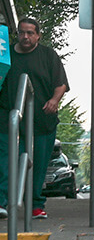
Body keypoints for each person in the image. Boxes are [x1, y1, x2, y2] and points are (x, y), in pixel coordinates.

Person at [0, 17, 69, 219]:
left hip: (42, 119)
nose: (25, 36)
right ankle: (2, 202)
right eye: (22, 32)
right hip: (8, 116)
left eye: (30, 33)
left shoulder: (48, 55)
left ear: (38, 35)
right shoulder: (7, 55)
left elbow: (61, 84)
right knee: (7, 159)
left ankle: (36, 205)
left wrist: (55, 100)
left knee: (38, 164)